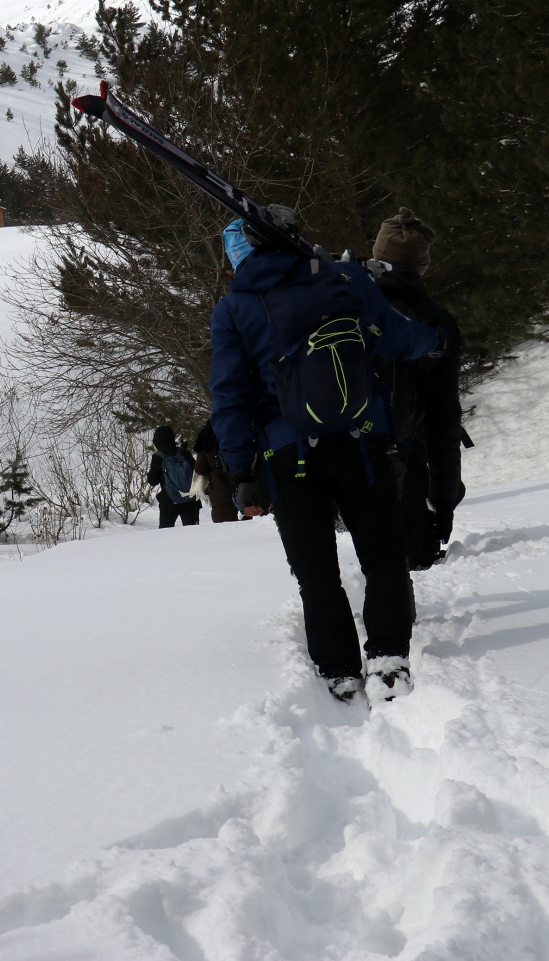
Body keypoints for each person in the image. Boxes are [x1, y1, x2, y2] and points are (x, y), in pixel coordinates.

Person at [210, 211, 443, 703]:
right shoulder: (344, 278)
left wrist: (238, 469)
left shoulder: (235, 309)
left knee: (316, 570)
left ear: (241, 255)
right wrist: (434, 341)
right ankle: (389, 658)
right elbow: (395, 337)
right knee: (382, 554)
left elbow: (230, 395)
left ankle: (339, 671)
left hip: (287, 453)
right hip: (362, 440)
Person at [368, 208, 465, 571]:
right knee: (409, 559)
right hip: (405, 456)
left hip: (332, 454)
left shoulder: (340, 304)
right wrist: (443, 500)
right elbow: (442, 420)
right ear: (421, 266)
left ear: (377, 255)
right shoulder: (435, 323)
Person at [147, 426, 201, 527]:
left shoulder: (158, 456)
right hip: (190, 500)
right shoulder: (184, 452)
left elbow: (152, 480)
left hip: (169, 501)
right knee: (194, 534)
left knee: (166, 535)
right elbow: (196, 473)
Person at [193, 420, 238, 522]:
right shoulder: (232, 440)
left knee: (222, 520)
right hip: (238, 483)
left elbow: (199, 469)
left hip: (218, 488)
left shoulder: (205, 445)